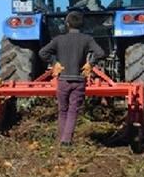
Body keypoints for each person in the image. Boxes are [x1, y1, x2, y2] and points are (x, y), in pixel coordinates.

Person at [38, 11, 106, 146]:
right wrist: (90, 64)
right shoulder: (87, 39)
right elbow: (100, 53)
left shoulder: (58, 39)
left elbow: (42, 52)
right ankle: (66, 140)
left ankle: (60, 140)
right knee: (73, 110)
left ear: (67, 24)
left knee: (62, 110)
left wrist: (54, 63)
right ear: (82, 24)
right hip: (79, 81)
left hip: (63, 80)